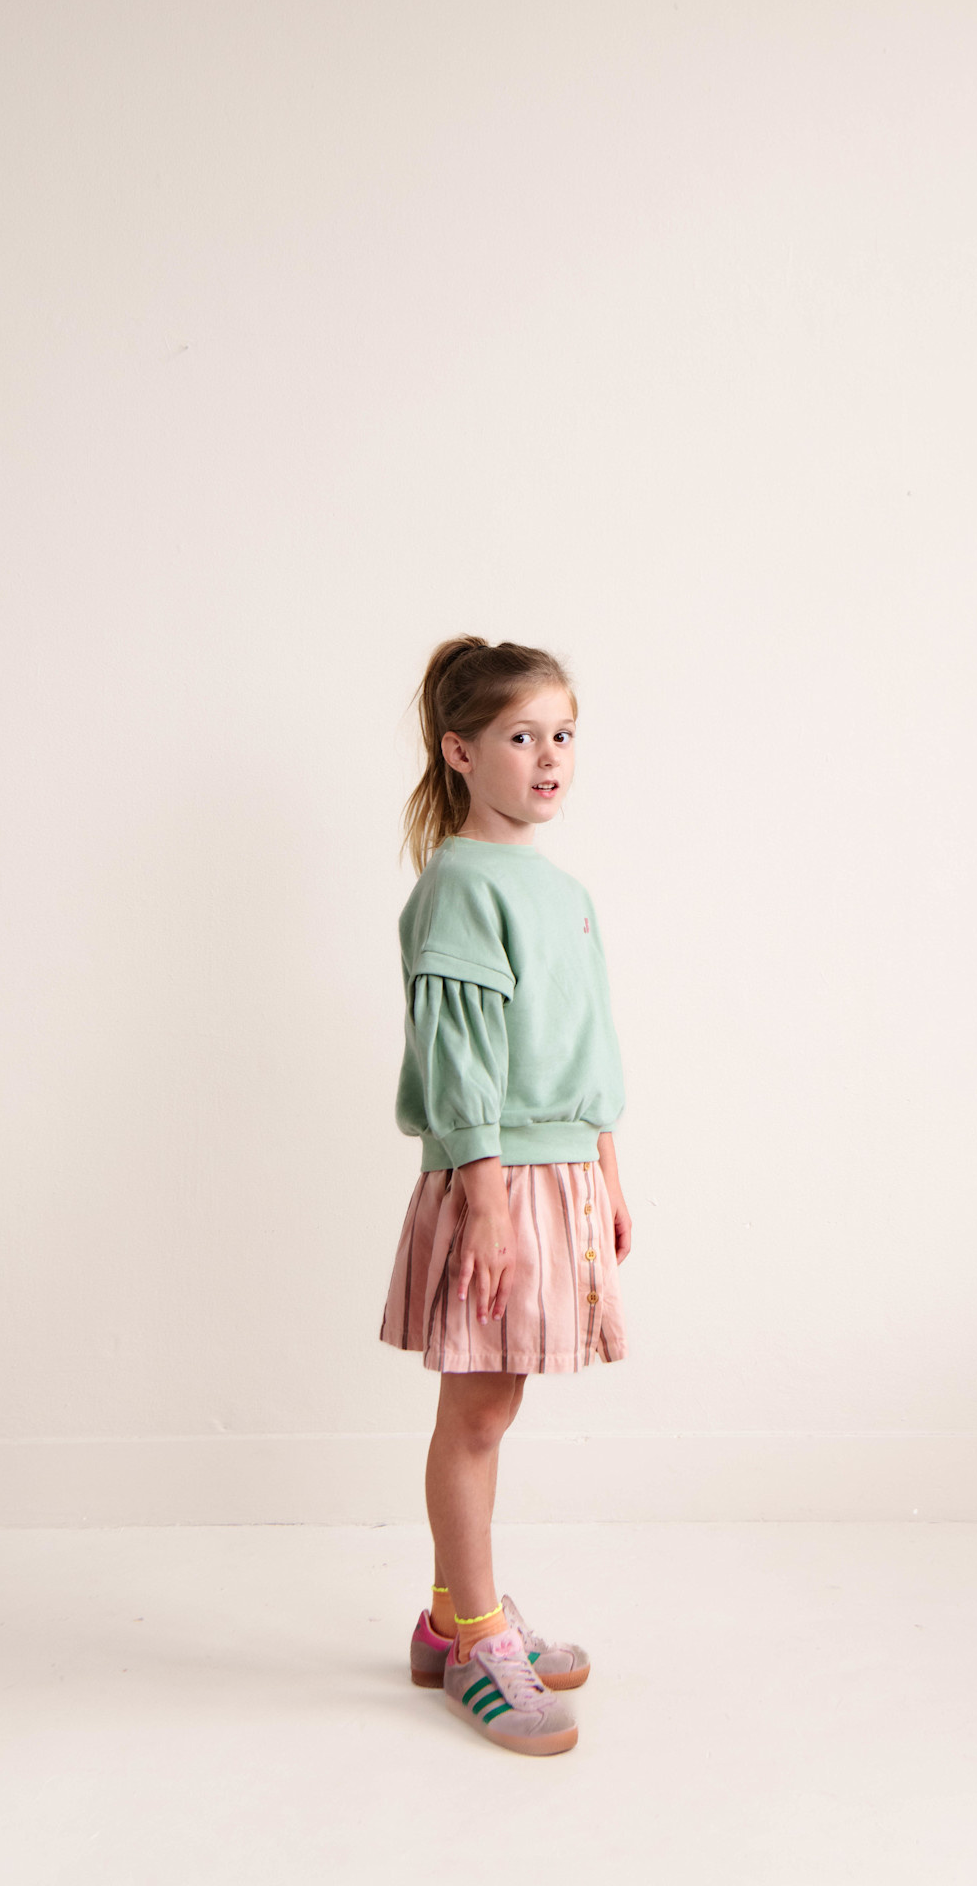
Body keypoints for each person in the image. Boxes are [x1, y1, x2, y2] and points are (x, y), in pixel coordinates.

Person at [380, 635, 634, 1757]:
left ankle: (452, 1616)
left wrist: (605, 1167)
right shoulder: (460, 883)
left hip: (559, 1171)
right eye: (521, 736)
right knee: (477, 1412)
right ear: (460, 752)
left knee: (499, 1403)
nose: (547, 757)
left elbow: (588, 1039)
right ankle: (475, 1635)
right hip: (499, 1175)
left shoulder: (562, 890)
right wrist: (484, 1196)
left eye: (561, 735)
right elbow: (459, 1053)